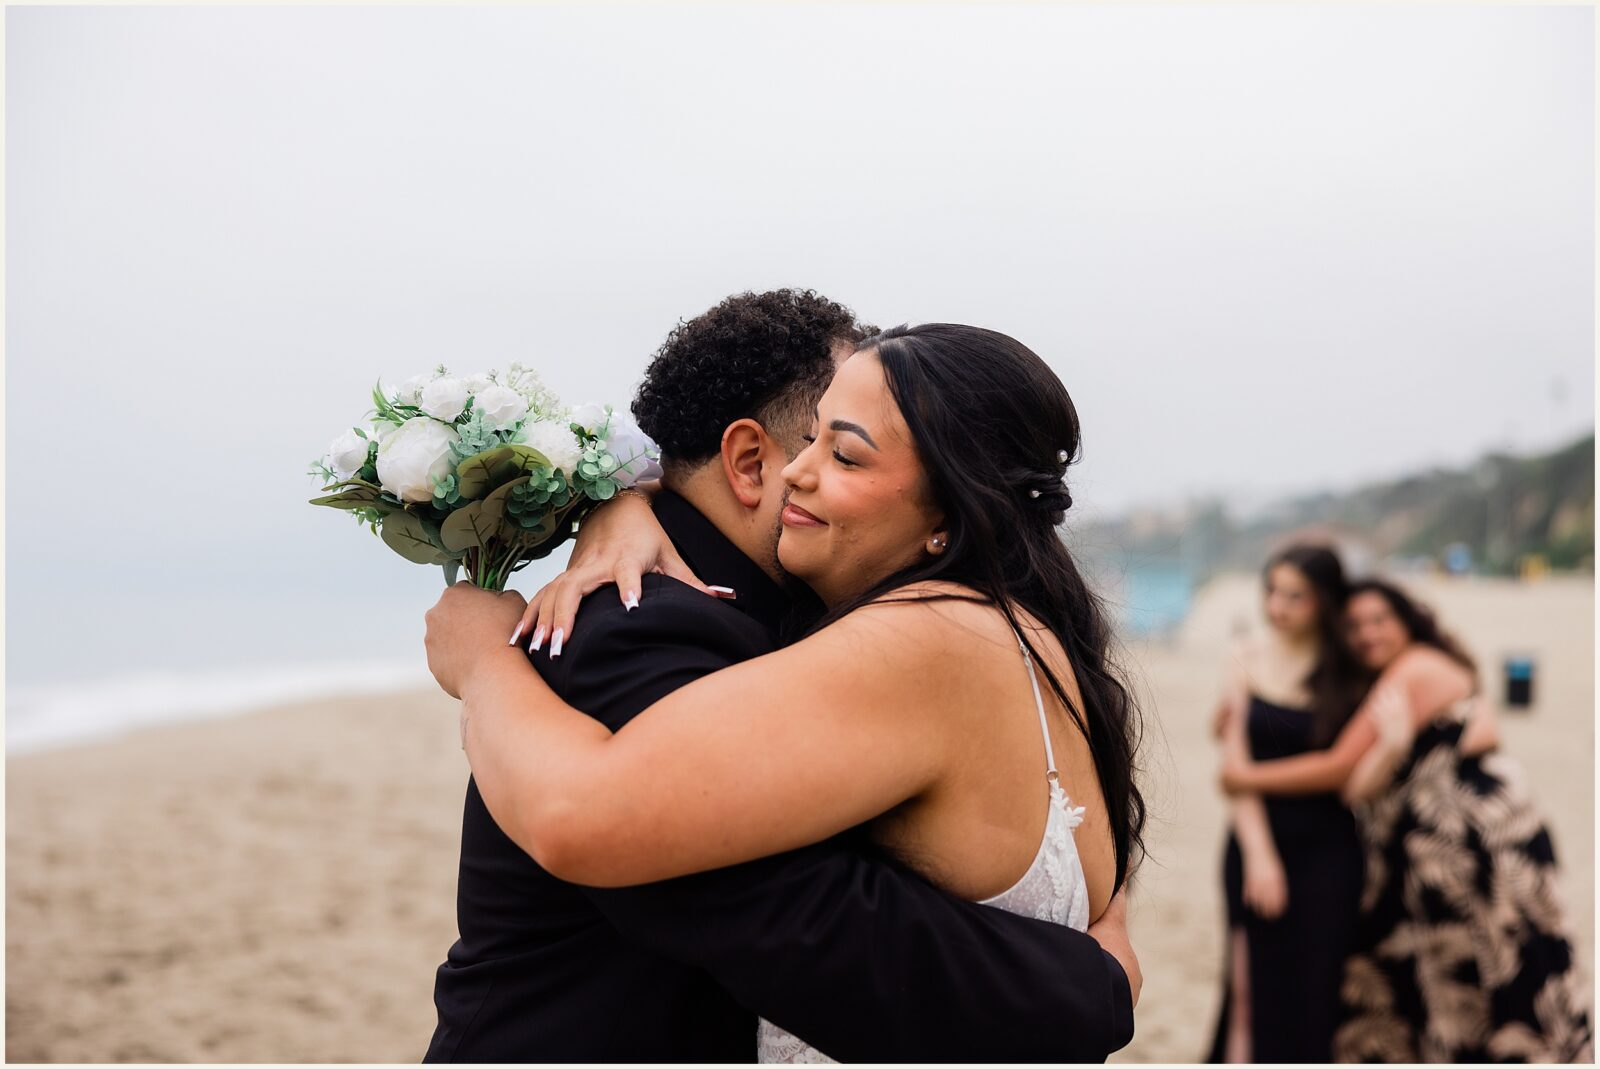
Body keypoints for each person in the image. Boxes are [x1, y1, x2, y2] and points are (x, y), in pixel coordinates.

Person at [424, 295, 1139, 1063]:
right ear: (747, 461)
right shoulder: (640, 621)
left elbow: (814, 916)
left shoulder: (921, 635)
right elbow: (811, 916)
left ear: (950, 508)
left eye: (844, 451)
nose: (802, 470)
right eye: (812, 438)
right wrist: (1094, 983)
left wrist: (483, 660)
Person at [1227, 579, 1593, 1062]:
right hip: (1431, 847)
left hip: (1476, 844)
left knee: (1493, 967)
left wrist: (1243, 775)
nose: (1367, 634)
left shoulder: (1414, 669)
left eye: (1380, 620)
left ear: (1407, 622)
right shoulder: (1385, 680)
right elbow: (1362, 780)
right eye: (1354, 625)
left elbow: (1341, 766)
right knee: (1449, 977)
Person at [1206, 544, 1370, 1063]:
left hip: (1329, 852)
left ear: (1324, 601)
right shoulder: (1244, 658)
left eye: (1295, 596)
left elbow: (1349, 780)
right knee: (1248, 993)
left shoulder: (1351, 671)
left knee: (1316, 996)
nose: (1278, 606)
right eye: (1272, 591)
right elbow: (1235, 771)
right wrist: (1260, 856)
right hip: (1253, 844)